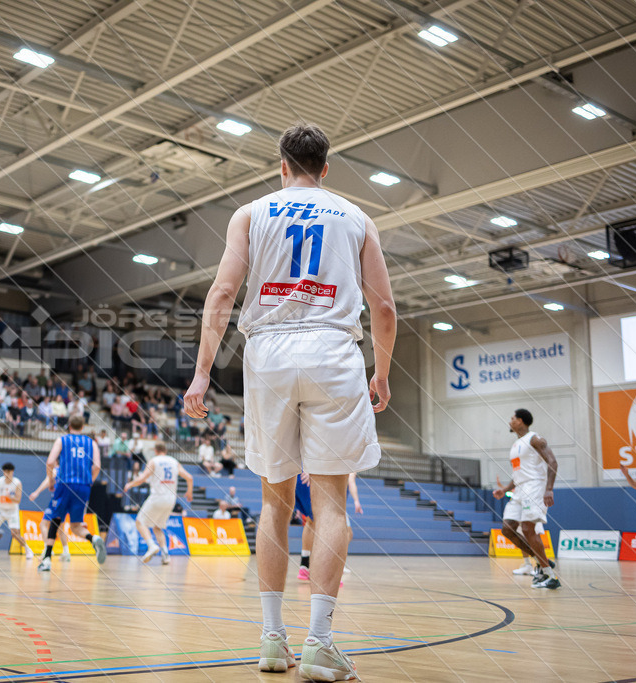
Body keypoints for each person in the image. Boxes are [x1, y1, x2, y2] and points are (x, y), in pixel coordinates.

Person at [184, 122, 395, 680]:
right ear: (326, 169)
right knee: (330, 504)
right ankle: (320, 641)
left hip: (268, 354)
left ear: (281, 166)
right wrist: (383, 374)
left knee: (275, 501)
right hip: (333, 351)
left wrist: (202, 374)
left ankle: (272, 640)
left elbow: (223, 293)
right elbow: (386, 310)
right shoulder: (358, 218)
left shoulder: (251, 213)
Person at [493, 409, 560, 590]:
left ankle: (549, 575)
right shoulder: (515, 445)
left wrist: (549, 489)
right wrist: (505, 489)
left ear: (521, 421)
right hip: (520, 489)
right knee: (507, 529)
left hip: (535, 486)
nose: (510, 421)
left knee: (528, 528)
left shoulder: (534, 439)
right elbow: (518, 474)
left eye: (512, 418)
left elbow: (552, 461)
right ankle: (543, 561)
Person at [38, 415, 106, 571]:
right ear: (83, 427)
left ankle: (47, 559)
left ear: (69, 426)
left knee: (55, 519)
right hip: (83, 486)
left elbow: (50, 462)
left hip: (65, 484)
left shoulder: (62, 440)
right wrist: (89, 481)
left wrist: (51, 480)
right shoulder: (92, 443)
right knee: (75, 525)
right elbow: (96, 466)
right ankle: (94, 538)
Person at [123, 442, 193, 564]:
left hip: (158, 496)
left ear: (156, 450)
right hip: (171, 499)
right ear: (165, 450)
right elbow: (190, 478)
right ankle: (165, 554)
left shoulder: (154, 461)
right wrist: (189, 492)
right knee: (158, 527)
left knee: (140, 522)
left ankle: (151, 545)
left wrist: (130, 484)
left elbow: (142, 478)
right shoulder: (174, 461)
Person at [296, 473, 361, 582]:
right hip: (324, 488)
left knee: (311, 522)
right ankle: (328, 570)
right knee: (335, 526)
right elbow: (351, 481)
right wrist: (356, 501)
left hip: (301, 476)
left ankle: (305, 565)